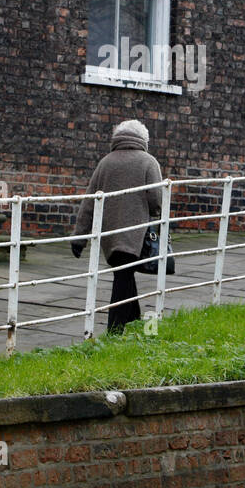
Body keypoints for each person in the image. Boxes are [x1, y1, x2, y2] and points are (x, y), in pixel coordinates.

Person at [72, 119, 163, 334]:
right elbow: (157, 200)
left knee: (123, 275)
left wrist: (79, 238)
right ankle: (114, 331)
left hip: (110, 236)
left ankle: (136, 322)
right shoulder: (149, 162)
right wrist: (154, 215)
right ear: (143, 139)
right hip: (136, 234)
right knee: (123, 278)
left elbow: (89, 201)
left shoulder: (105, 163)